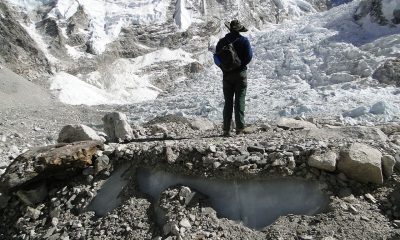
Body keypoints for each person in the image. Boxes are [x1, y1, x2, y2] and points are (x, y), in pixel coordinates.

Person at [214, 19, 253, 136]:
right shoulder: (244, 41)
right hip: (240, 74)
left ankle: (226, 129)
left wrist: (224, 68)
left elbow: (216, 59)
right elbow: (249, 57)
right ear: (240, 29)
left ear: (229, 28)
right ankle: (240, 128)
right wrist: (240, 65)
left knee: (228, 102)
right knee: (240, 100)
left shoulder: (221, 42)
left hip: (227, 76)